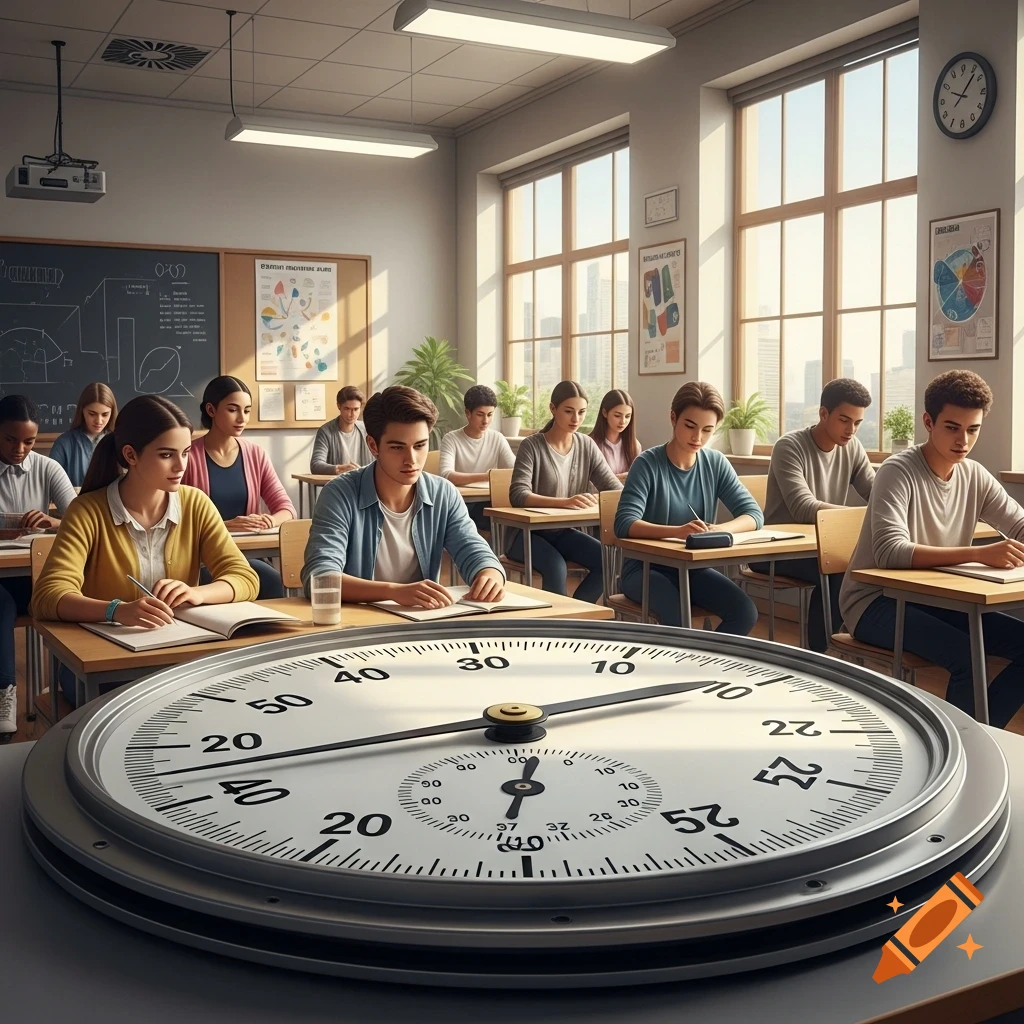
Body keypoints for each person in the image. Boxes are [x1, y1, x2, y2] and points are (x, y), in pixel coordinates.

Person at [31, 395, 260, 706]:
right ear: (131, 455)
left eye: (185, 453)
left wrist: (198, 594)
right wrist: (117, 610)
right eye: (167, 455)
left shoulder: (196, 504)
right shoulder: (87, 510)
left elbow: (245, 578)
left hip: (178, 658)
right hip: (104, 665)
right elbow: (47, 597)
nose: (181, 466)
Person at [841, 370, 1024, 727]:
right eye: (952, 428)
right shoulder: (898, 471)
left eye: (973, 429)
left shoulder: (974, 475)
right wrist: (977, 553)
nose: (964, 441)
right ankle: (962, 748)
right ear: (928, 421)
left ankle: (981, 735)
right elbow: (890, 552)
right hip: (874, 601)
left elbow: (1019, 523)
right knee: (969, 657)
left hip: (938, 598)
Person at [301, 385, 505, 610]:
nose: (412, 460)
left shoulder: (443, 494)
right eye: (398, 448)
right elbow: (320, 578)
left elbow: (473, 549)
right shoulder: (339, 494)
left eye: (420, 445)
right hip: (357, 627)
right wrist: (393, 591)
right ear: (373, 445)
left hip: (420, 625)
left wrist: (490, 573)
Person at [614, 381, 762, 634]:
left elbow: (753, 515)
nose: (698, 438)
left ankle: (703, 665)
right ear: (673, 418)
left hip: (693, 569)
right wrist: (677, 531)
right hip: (644, 569)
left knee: (744, 611)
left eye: (707, 430)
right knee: (677, 612)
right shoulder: (647, 463)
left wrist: (718, 530)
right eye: (690, 426)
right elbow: (624, 523)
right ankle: (681, 669)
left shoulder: (715, 462)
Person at [750, 378, 875, 652]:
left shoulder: (852, 448)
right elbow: (803, 507)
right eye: (844, 420)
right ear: (823, 414)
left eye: (857, 423)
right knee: (837, 570)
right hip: (776, 550)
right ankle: (821, 655)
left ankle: (851, 647)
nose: (851, 430)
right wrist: (863, 516)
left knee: (866, 565)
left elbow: (877, 494)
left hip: (823, 546)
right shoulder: (789, 446)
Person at [0, 395, 76, 736]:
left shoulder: (47, 467)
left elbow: (79, 519)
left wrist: (52, 521)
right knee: (0, 603)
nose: (20, 449)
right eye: (10, 439)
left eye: (29, 441)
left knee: (68, 594)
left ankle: (68, 685)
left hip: (35, 572)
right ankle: (5, 691)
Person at [182, 376, 295, 599]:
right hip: (204, 559)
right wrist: (223, 526)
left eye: (247, 410)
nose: (241, 418)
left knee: (267, 577)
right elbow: (176, 519)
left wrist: (268, 520)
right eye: (233, 410)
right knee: (267, 578)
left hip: (248, 553)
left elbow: (286, 509)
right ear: (211, 410)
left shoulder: (255, 454)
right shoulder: (187, 456)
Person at [508, 381, 621, 604]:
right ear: (553, 409)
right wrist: (565, 502)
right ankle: (555, 629)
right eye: (569, 411)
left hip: (562, 532)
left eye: (581, 412)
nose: (576, 419)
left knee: (608, 561)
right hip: (525, 535)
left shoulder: (586, 445)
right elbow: (518, 494)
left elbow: (614, 489)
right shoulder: (531, 445)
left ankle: (575, 614)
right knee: (555, 566)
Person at [438, 384, 515, 530]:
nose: (486, 421)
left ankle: (501, 551)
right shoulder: (451, 438)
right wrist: (486, 476)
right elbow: (446, 475)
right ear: (468, 413)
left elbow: (514, 469)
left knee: (503, 513)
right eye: (480, 414)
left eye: (490, 414)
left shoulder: (497, 438)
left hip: (488, 499)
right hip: (460, 502)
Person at [48, 382, 118, 487]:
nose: (99, 421)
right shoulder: (64, 443)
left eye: (105, 414)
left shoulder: (119, 441)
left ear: (112, 413)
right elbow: (51, 482)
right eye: (92, 414)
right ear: (82, 410)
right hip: (74, 502)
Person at [310, 385, 373, 475]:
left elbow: (379, 459)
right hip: (337, 485)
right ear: (339, 406)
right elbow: (316, 465)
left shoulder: (366, 429)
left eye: (356, 409)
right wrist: (339, 469)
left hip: (363, 483)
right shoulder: (325, 431)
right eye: (347, 409)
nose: (352, 414)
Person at [588, 388, 641, 480]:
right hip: (598, 494)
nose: (623, 421)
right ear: (605, 413)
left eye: (628, 416)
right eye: (617, 415)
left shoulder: (635, 445)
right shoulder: (590, 444)